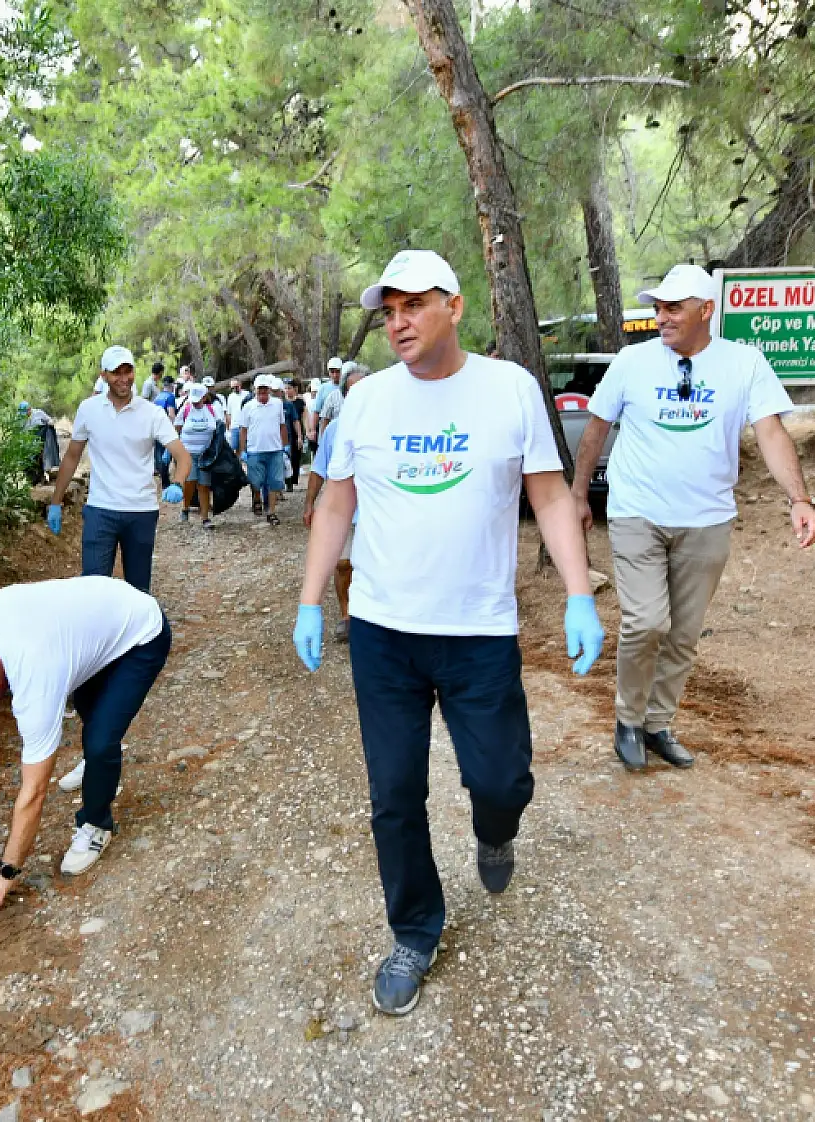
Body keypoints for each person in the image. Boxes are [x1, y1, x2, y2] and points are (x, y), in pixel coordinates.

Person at [292, 249, 605, 1017]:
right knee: (393, 794)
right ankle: (414, 929)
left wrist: (578, 593)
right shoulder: (365, 402)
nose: (397, 322)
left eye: (413, 306)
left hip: (477, 633)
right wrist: (307, 600)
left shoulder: (508, 390)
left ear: (455, 307)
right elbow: (335, 505)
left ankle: (495, 833)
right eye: (388, 310)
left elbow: (551, 496)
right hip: (384, 633)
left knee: (500, 780)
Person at [570, 263, 815, 773]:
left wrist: (799, 499)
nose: (661, 317)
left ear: (707, 310)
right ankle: (627, 718)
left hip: (707, 519)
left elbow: (770, 433)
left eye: (673, 308)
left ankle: (658, 725)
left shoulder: (744, 363)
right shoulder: (631, 363)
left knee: (682, 634)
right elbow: (596, 431)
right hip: (637, 513)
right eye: (657, 307)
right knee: (646, 622)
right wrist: (577, 496)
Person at [0, 576, 173, 909]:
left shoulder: (35, 684)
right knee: (89, 708)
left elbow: (34, 793)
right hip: (98, 622)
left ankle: (97, 825)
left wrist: (6, 871)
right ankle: (98, 768)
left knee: (100, 740)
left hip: (142, 633)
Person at [48, 346, 191, 593]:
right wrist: (55, 502)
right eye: (116, 373)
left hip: (141, 511)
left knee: (137, 591)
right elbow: (72, 457)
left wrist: (177, 483)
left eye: (128, 371)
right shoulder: (89, 410)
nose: (124, 378)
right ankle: (98, 632)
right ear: (104, 375)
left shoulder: (151, 413)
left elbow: (183, 456)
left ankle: (139, 632)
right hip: (100, 510)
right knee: (93, 587)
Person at [302, 364, 368, 640]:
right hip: (345, 512)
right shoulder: (334, 431)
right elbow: (319, 470)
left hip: (377, 513)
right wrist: (309, 504)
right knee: (343, 564)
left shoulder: (390, 427)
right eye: (352, 391)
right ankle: (346, 615)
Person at [174, 381, 226, 530]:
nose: (196, 403)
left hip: (206, 455)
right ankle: (185, 507)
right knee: (190, 483)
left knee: (204, 485)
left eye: (198, 400)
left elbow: (219, 430)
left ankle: (205, 518)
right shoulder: (185, 410)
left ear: (204, 397)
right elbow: (176, 429)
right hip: (188, 454)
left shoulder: (212, 410)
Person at [240, 375, 291, 524]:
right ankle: (257, 498)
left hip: (274, 448)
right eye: (259, 390)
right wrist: (242, 450)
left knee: (274, 481)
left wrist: (285, 445)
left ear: (269, 390)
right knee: (256, 481)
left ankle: (271, 511)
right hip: (255, 449)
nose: (262, 393)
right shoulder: (248, 406)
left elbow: (282, 425)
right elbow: (244, 429)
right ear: (255, 390)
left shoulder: (277, 404)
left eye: (265, 390)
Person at [283, 381, 307, 490]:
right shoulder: (281, 403)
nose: (287, 391)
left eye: (289, 388)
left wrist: (302, 434)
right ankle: (288, 482)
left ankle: (293, 478)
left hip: (296, 432)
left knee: (295, 457)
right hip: (285, 433)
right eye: (286, 388)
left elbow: (303, 418)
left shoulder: (300, 402)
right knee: (287, 457)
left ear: (295, 389)